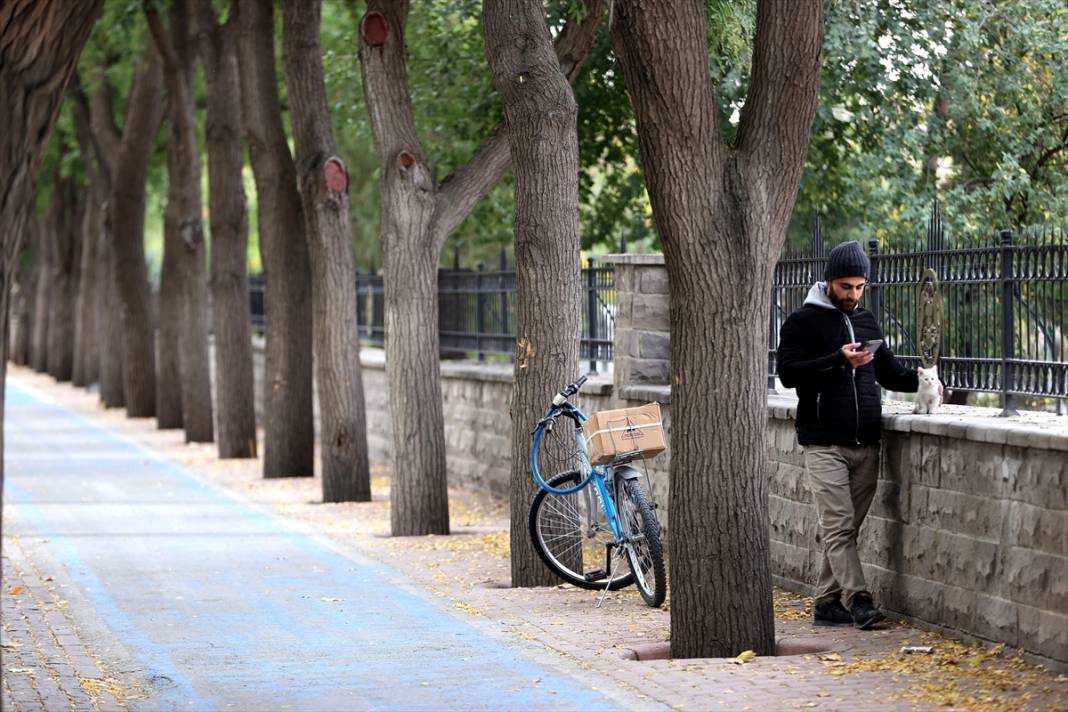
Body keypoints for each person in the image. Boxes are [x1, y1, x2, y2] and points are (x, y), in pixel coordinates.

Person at [776, 240, 939, 629]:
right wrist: (838, 361)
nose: (853, 294)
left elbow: (887, 372)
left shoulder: (866, 320)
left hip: (866, 441)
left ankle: (826, 603)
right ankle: (859, 600)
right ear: (830, 282)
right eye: (846, 286)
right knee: (838, 525)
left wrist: (923, 380)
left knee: (846, 529)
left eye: (859, 287)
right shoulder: (803, 322)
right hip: (823, 442)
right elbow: (788, 373)